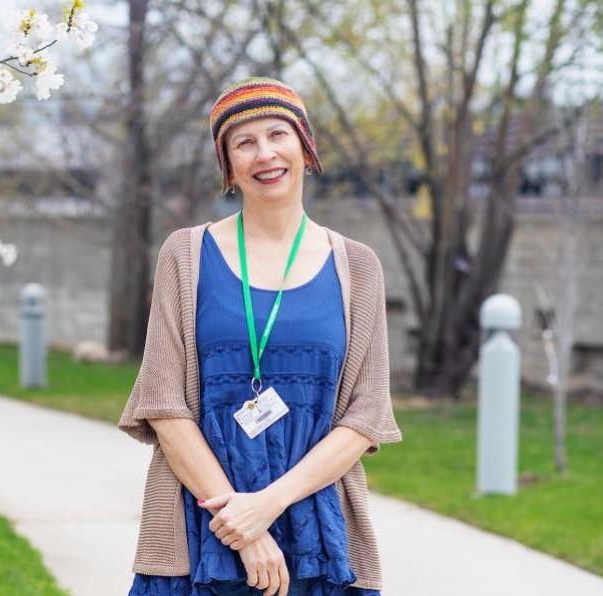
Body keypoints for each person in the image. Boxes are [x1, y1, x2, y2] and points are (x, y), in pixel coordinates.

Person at [118, 77, 403, 596]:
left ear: (306, 146)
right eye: (244, 142)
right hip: (198, 524)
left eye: (278, 134)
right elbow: (163, 404)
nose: (265, 153)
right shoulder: (185, 255)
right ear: (227, 164)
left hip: (318, 530)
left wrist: (267, 505)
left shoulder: (358, 267)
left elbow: (366, 417)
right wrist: (239, 525)